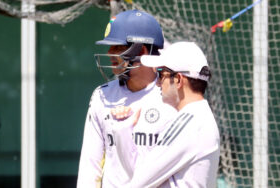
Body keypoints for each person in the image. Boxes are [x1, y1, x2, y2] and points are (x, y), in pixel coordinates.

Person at [76, 10, 177, 187]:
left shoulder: (172, 97)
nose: (109, 53)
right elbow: (90, 165)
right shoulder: (102, 96)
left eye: (118, 47)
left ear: (142, 50)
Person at [112, 41, 220, 187]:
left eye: (161, 74)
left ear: (179, 80)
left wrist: (121, 132)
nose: (157, 82)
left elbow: (138, 182)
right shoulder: (197, 118)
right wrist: (122, 131)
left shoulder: (189, 123)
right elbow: (140, 175)